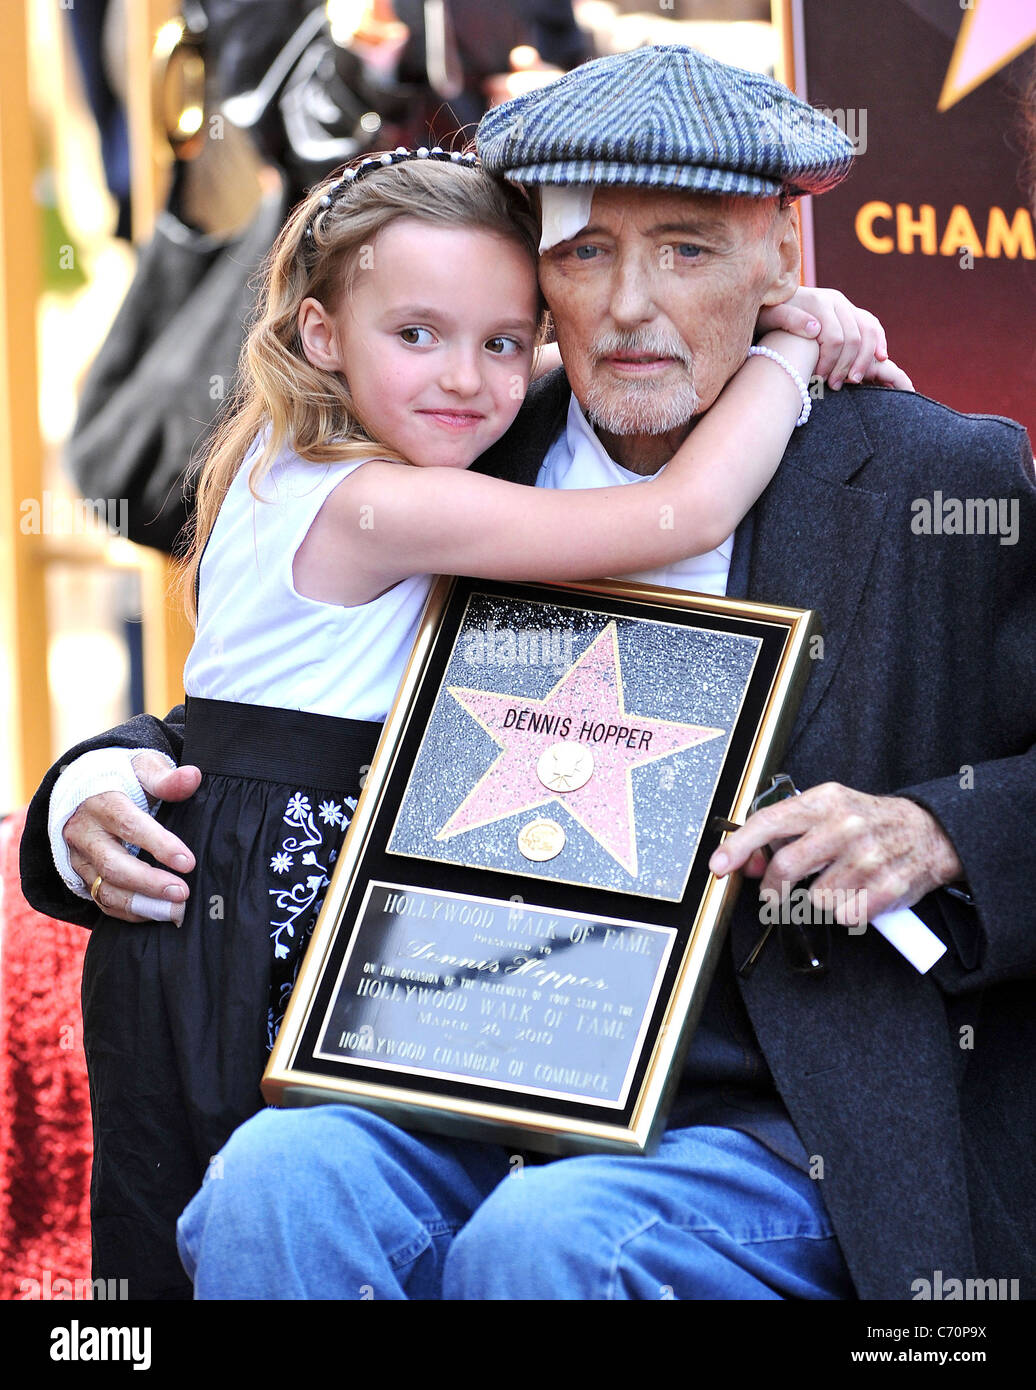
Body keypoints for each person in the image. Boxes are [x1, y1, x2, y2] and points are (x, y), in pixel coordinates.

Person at [24, 44, 1034, 1300]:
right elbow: (261, 713)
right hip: (460, 1071)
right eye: (582, 252)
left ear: (784, 250)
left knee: (552, 1241)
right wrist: (94, 787)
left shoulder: (941, 478)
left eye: (686, 248)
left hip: (778, 1106)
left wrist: (936, 827)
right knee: (279, 1184)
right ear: (533, 275)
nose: (626, 306)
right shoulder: (465, 442)